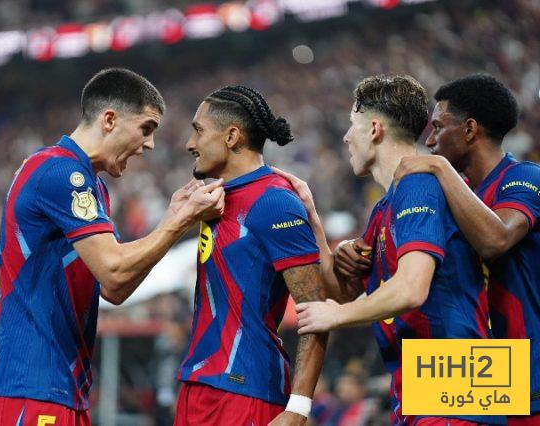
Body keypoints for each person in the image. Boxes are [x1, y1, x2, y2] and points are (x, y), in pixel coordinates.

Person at [0, 68, 225, 426]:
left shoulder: (93, 187)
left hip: (61, 386)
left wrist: (171, 219)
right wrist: (180, 222)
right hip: (28, 382)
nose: (150, 144)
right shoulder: (60, 172)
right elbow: (114, 270)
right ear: (109, 119)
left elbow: (115, 289)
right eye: (146, 128)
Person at [281, 75, 504, 425]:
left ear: (374, 129)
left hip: (456, 385)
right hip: (426, 386)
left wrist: (338, 315)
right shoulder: (386, 207)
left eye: (352, 125)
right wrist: (312, 217)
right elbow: (339, 292)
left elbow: (411, 289)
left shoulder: (419, 185)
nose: (346, 137)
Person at [175, 85, 328, 426]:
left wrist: (298, 407)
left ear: (231, 136)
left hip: (246, 390)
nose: (190, 143)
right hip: (198, 385)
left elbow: (315, 310)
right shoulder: (214, 200)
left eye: (198, 131)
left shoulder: (274, 201)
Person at [394, 74, 540, 424]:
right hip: (477, 371)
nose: (429, 141)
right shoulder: (455, 195)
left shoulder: (525, 177)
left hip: (528, 380)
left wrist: (439, 167)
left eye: (438, 127)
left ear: (470, 129)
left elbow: (495, 240)